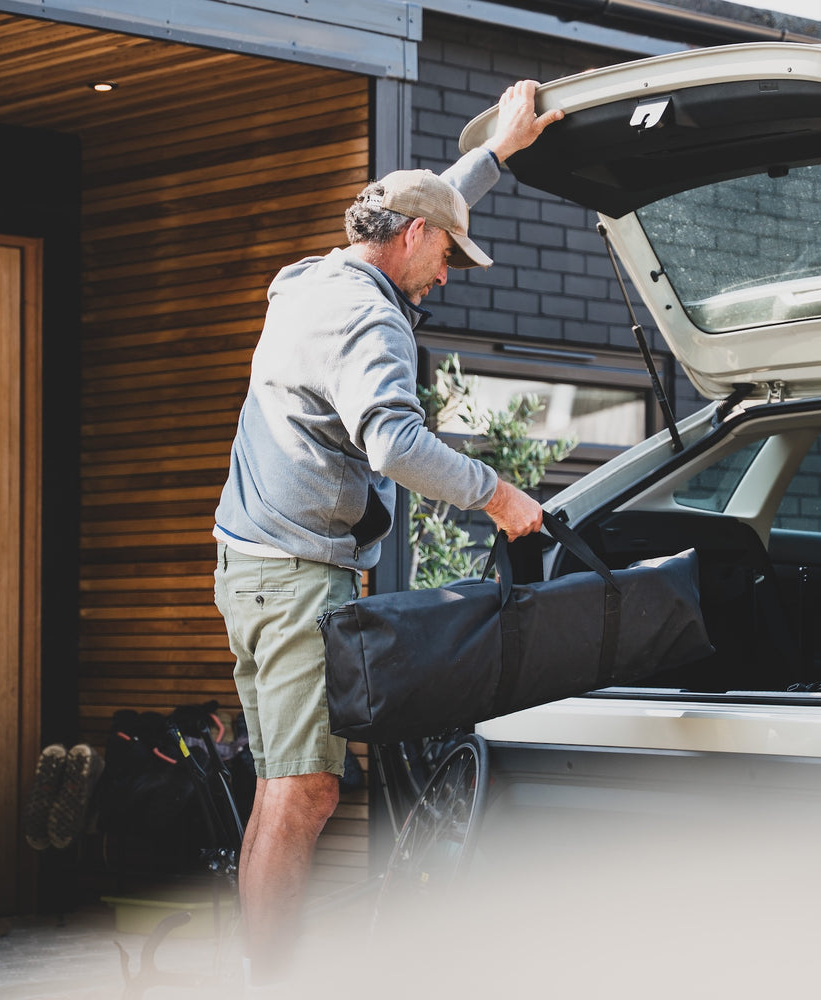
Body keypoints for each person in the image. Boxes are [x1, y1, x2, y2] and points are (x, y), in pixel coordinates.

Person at [211, 80, 562, 985]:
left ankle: (258, 974)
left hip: (252, 566)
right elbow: (395, 443)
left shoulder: (313, 279)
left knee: (281, 787)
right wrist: (499, 497)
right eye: (446, 256)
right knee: (306, 792)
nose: (446, 275)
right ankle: (273, 984)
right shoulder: (370, 316)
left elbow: (420, 206)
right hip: (296, 574)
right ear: (408, 239)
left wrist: (496, 153)